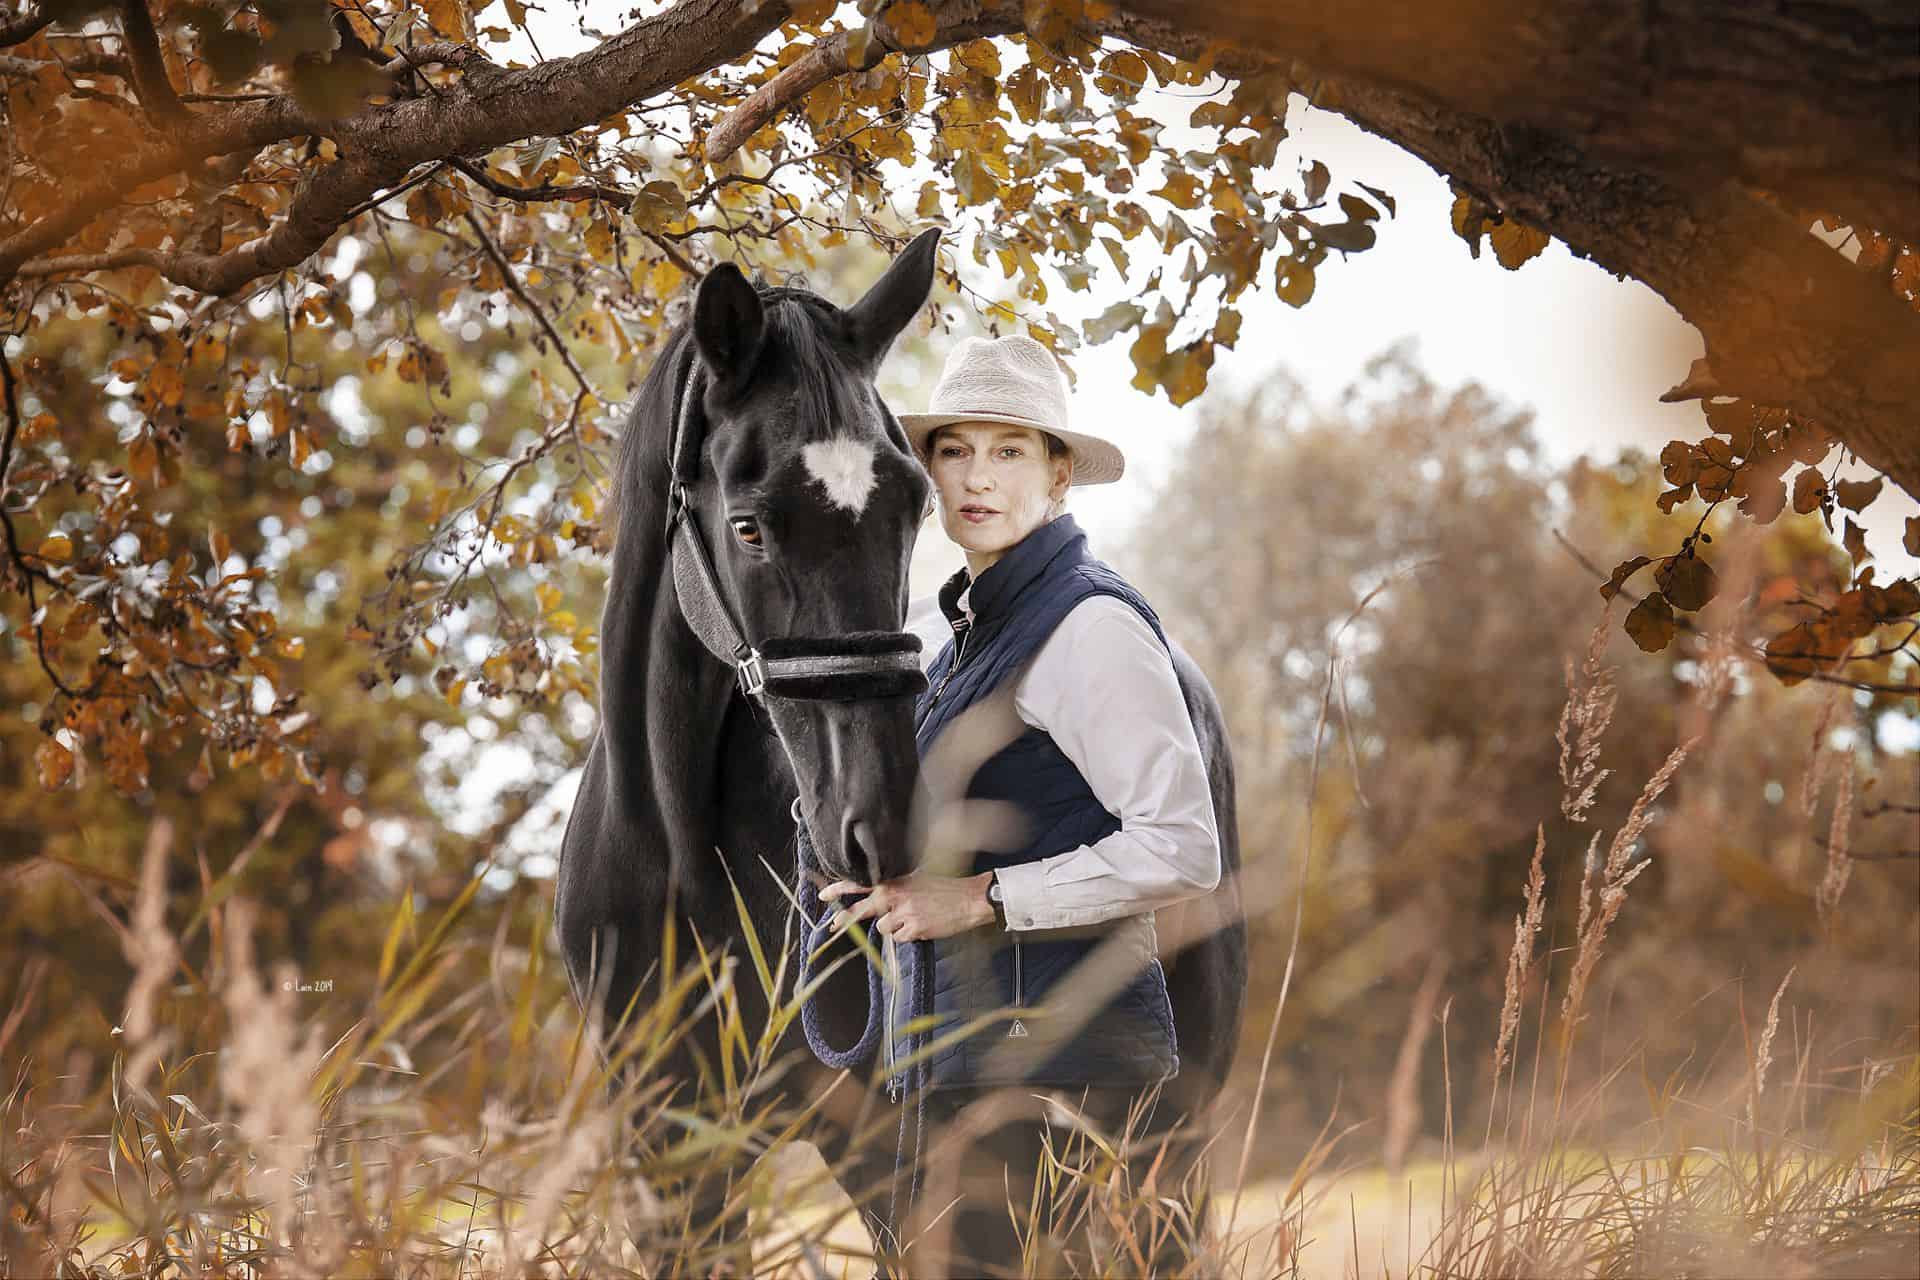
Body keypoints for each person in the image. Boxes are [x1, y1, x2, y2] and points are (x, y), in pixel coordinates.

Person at [821, 334, 1222, 1274]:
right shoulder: (955, 634)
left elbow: (1181, 846)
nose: (978, 478)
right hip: (961, 1071)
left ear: (1059, 476)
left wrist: (982, 899)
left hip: (1067, 1080)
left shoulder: (1090, 624)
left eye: (1009, 451)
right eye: (955, 450)